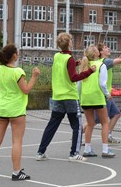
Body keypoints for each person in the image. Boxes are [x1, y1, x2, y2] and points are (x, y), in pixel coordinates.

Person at [36, 33, 95, 162]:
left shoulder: (57, 56)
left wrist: (76, 63)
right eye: (72, 40)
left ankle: (40, 152)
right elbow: (73, 77)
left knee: (52, 124)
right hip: (69, 96)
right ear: (69, 43)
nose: (72, 42)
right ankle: (74, 153)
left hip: (57, 96)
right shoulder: (69, 58)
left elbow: (65, 67)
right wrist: (90, 71)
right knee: (77, 126)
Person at [0, 43, 40, 181]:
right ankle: (16, 172)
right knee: (17, 142)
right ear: (14, 56)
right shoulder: (17, 72)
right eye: (17, 52)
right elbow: (26, 89)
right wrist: (34, 76)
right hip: (16, 109)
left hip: (1, 107)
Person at [83, 43, 121, 144]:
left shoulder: (103, 62)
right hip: (103, 95)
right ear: (100, 52)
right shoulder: (104, 62)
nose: (108, 48)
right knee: (93, 121)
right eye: (105, 48)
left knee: (116, 114)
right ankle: (78, 134)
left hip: (107, 95)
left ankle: (108, 135)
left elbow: (117, 61)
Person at [80, 45, 115, 158]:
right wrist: (107, 94)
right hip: (97, 96)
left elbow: (79, 84)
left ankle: (87, 149)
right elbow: (102, 84)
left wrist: (79, 97)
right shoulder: (101, 65)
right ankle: (105, 149)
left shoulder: (84, 65)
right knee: (105, 122)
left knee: (90, 124)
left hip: (85, 98)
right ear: (96, 54)